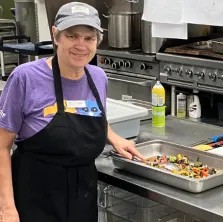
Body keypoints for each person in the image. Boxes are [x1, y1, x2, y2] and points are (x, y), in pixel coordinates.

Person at [0, 2, 145, 222]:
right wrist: (7, 209)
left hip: (82, 199)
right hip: (34, 200)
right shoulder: (25, 78)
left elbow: (92, 114)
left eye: (89, 38)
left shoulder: (98, 78)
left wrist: (112, 136)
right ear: (55, 35)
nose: (81, 45)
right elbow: (2, 146)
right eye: (72, 36)